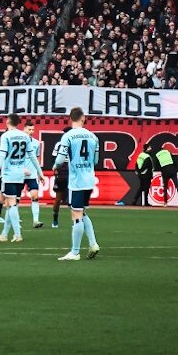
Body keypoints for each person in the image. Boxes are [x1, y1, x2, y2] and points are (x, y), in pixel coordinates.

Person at [58, 107, 101, 262]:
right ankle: (93, 243)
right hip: (90, 179)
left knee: (76, 215)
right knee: (81, 212)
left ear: (71, 118)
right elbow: (96, 161)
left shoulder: (68, 136)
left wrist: (56, 166)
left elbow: (60, 159)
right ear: (83, 118)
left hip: (77, 181)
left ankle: (75, 252)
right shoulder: (93, 136)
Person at [0, 114, 41, 243]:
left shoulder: (6, 136)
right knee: (11, 203)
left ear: (8, 122)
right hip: (20, 174)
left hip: (9, 174)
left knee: (11, 203)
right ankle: (4, 234)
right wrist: (40, 172)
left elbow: (1, 156)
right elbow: (33, 156)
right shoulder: (25, 136)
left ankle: (17, 234)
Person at [24, 123, 44, 228]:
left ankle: (35, 221)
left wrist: (39, 173)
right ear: (24, 129)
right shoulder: (19, 142)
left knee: (35, 196)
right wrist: (22, 168)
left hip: (32, 175)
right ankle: (14, 219)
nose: (31, 131)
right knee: (15, 199)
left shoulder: (36, 143)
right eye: (29, 129)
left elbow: (37, 159)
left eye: (32, 129)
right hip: (19, 175)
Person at [50, 127, 70, 228]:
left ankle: (77, 220)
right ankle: (55, 219)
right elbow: (54, 157)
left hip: (71, 170)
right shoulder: (59, 145)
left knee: (72, 199)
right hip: (61, 169)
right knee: (58, 199)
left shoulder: (75, 144)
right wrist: (56, 168)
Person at [133, 141, 156, 206]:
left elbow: (137, 163)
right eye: (149, 147)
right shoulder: (147, 156)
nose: (151, 148)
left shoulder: (140, 155)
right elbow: (147, 166)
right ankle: (145, 202)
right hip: (146, 175)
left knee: (141, 188)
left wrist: (138, 171)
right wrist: (142, 171)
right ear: (147, 149)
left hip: (141, 175)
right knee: (146, 189)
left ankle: (135, 200)